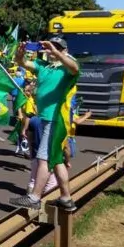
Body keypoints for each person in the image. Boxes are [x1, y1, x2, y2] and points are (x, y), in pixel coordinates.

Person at [10, 38, 79, 212]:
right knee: (56, 161)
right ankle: (66, 198)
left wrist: (56, 53)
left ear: (64, 50)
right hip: (47, 118)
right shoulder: (43, 66)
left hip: (57, 119)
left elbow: (75, 68)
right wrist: (20, 54)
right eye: (49, 48)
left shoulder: (67, 67)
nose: (51, 51)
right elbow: (23, 62)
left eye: (57, 48)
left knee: (44, 159)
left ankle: (34, 197)